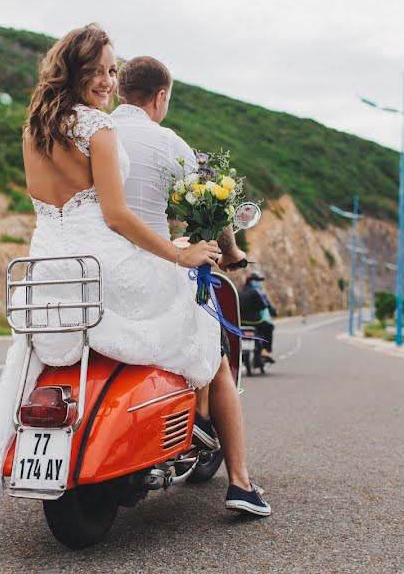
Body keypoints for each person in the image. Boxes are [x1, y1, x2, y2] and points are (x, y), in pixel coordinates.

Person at [0, 25, 268, 516]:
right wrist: (181, 254)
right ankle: (239, 479)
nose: (107, 81)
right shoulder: (98, 129)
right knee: (201, 326)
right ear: (74, 71)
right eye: (98, 71)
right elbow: (117, 217)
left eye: (113, 71)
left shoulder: (34, 129)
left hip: (50, 266)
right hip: (105, 264)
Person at [113, 56, 269, 516]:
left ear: (119, 90)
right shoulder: (168, 144)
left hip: (99, 275)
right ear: (160, 97)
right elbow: (215, 212)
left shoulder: (96, 136)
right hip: (154, 270)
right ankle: (240, 482)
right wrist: (233, 254)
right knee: (217, 362)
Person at [239, 272, 277, 364]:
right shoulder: (257, 292)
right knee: (269, 327)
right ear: (252, 281)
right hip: (256, 322)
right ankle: (266, 351)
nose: (259, 283)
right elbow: (264, 305)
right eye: (258, 281)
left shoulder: (238, 291)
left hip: (240, 322)